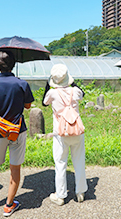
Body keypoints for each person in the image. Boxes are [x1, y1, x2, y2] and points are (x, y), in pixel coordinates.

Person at [0, 51, 34, 217]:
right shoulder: (22, 84)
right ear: (13, 65)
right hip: (17, 131)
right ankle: (9, 205)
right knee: (15, 167)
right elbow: (28, 106)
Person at [42, 64, 88, 206]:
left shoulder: (52, 93)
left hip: (60, 134)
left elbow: (44, 103)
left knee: (60, 163)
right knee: (79, 161)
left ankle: (61, 195)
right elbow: (82, 93)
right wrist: (71, 82)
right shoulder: (75, 91)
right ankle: (80, 192)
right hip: (77, 132)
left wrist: (47, 84)